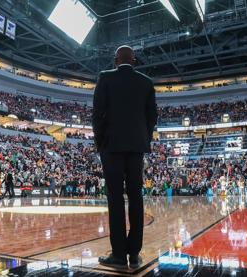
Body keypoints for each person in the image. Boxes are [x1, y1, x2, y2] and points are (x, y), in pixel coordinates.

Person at [92, 45, 158, 269]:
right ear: (135, 60)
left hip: (111, 147)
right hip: (137, 147)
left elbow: (97, 113)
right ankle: (134, 253)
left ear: (115, 60)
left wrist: (100, 142)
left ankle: (119, 255)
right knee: (136, 197)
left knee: (115, 199)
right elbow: (152, 117)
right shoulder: (146, 82)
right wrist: (144, 139)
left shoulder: (105, 77)